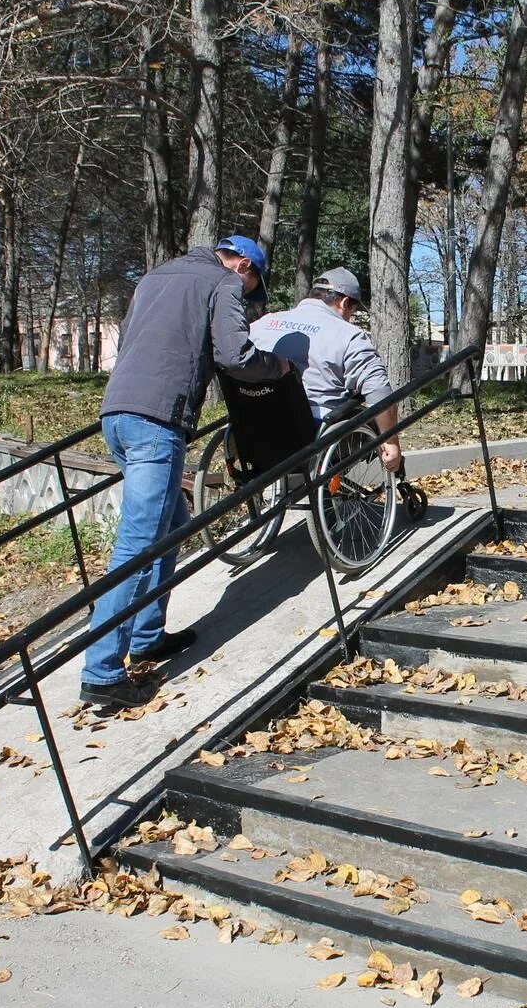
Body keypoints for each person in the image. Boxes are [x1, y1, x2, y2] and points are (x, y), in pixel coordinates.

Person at [79, 235, 289, 708]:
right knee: (138, 544)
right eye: (254, 285)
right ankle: (102, 670)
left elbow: (134, 340)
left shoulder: (154, 277)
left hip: (117, 413)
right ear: (243, 266)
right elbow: (235, 356)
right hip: (157, 422)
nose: (251, 294)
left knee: (172, 525)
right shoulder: (224, 282)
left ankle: (148, 635)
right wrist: (277, 367)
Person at [247, 266, 403, 473]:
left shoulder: (262, 324)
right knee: (373, 423)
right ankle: (332, 486)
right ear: (345, 302)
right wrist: (391, 442)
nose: (350, 318)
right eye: (352, 312)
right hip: (312, 433)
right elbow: (379, 391)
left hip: (254, 427)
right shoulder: (348, 335)